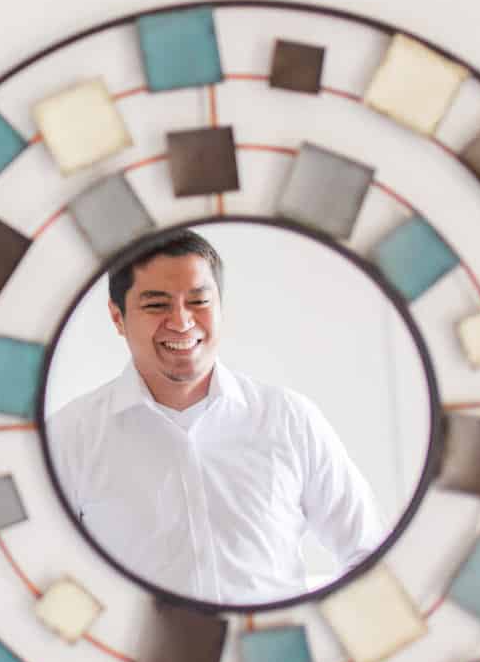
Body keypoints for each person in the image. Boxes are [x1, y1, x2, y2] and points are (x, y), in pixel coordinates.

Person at [45, 229, 383, 605]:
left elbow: (368, 553)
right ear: (117, 317)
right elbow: (41, 575)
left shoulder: (289, 419)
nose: (181, 321)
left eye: (199, 301)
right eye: (156, 305)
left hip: (273, 642)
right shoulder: (68, 437)